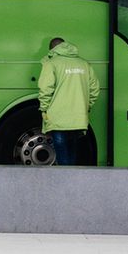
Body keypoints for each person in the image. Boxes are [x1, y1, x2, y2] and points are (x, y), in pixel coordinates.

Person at [37, 37, 100, 166]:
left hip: (58, 116)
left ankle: (65, 182)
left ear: (52, 49)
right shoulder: (84, 64)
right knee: (72, 151)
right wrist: (86, 106)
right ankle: (72, 181)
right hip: (78, 117)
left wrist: (44, 109)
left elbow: (45, 89)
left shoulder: (51, 63)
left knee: (62, 154)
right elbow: (94, 89)